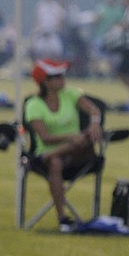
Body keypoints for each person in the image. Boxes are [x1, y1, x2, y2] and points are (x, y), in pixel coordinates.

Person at [24, 59, 103, 232]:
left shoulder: (72, 94)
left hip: (79, 153)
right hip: (52, 153)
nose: (62, 79)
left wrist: (95, 123)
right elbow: (45, 138)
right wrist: (71, 138)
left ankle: (63, 219)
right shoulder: (33, 105)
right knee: (56, 162)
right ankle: (63, 217)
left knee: (86, 138)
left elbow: (94, 111)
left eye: (62, 75)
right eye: (57, 76)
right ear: (45, 81)